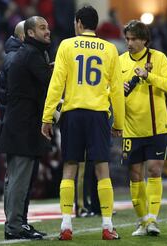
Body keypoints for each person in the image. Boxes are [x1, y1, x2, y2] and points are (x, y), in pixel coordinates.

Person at [42, 5, 124, 241]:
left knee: (70, 167)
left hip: (73, 114)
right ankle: (107, 226)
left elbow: (56, 85)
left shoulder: (67, 45)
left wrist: (47, 117)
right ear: (95, 25)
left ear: (78, 22)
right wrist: (118, 121)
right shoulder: (109, 49)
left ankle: (66, 225)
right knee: (102, 169)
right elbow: (116, 90)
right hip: (98, 115)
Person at [120, 20, 167, 237]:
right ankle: (142, 220)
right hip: (131, 128)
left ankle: (152, 220)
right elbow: (109, 91)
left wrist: (149, 76)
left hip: (157, 127)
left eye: (134, 38)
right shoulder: (120, 61)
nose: (129, 42)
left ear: (144, 39)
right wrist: (118, 89)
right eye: (127, 38)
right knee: (135, 175)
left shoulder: (158, 58)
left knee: (154, 169)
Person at [0, 16, 52, 240]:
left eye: (47, 27)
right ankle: (14, 225)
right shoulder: (30, 54)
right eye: (42, 28)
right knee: (19, 179)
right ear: (30, 34)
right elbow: (50, 82)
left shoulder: (30, 54)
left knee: (20, 178)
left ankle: (19, 223)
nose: (47, 31)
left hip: (20, 125)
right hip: (23, 126)